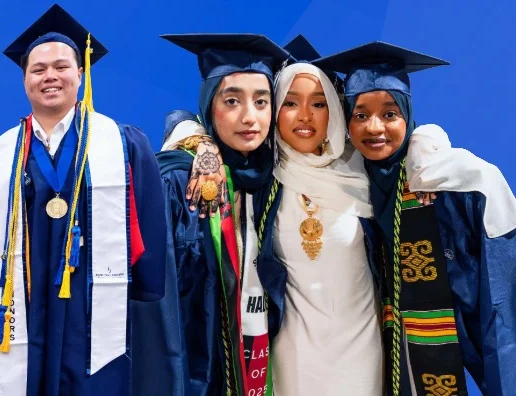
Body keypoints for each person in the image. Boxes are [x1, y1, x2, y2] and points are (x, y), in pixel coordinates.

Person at [0, 5, 182, 395]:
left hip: (90, 309)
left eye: (62, 66)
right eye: (38, 69)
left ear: (81, 74)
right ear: (24, 80)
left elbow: (150, 222)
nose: (50, 76)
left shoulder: (122, 143)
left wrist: (142, 286)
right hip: (24, 306)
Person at [315, 42, 516, 396]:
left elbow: (508, 308)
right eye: (360, 115)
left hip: (440, 346)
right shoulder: (345, 177)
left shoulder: (452, 180)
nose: (374, 127)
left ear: (409, 116)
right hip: (370, 358)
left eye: (390, 114)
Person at [161, 36, 386, 395]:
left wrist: (428, 143)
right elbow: (188, 120)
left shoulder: (367, 173)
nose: (305, 116)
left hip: (361, 350)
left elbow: (408, 140)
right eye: (290, 103)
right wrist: (199, 142)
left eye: (319, 102)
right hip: (287, 357)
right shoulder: (266, 175)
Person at [153, 33, 291, 396]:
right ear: (208, 107)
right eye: (232, 101)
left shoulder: (276, 174)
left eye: (262, 102)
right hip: (198, 367)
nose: (250, 118)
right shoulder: (180, 180)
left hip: (265, 357)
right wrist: (199, 141)